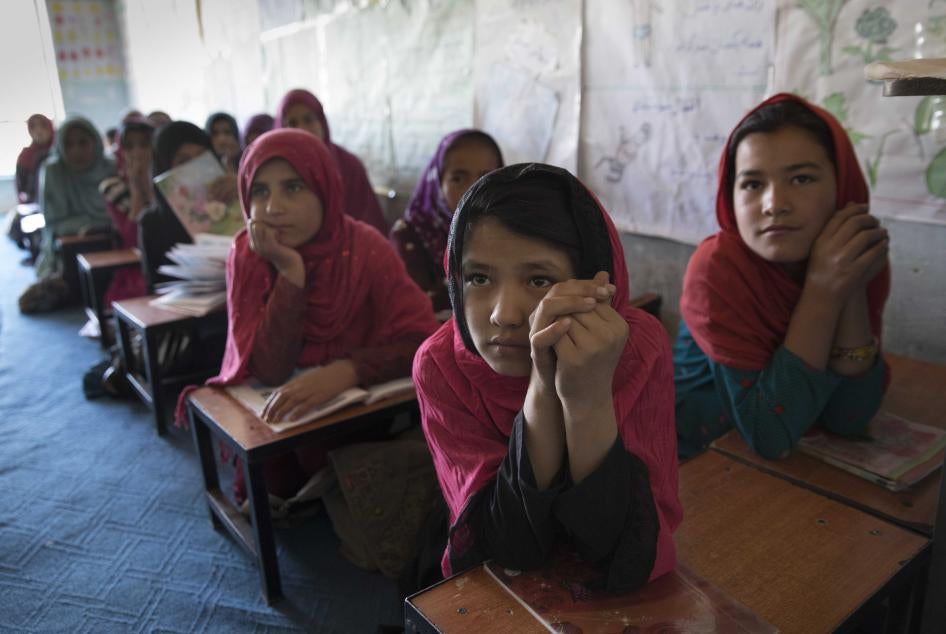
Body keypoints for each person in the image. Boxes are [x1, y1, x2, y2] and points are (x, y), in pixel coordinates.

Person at [413, 163, 681, 592]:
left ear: (595, 284)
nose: (504, 315)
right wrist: (544, 383)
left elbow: (620, 545)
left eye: (539, 280)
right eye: (478, 278)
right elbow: (508, 548)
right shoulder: (441, 364)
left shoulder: (636, 348)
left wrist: (587, 397)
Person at [189, 128, 438, 502]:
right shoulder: (249, 255)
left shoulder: (366, 247)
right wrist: (290, 272)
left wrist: (347, 370)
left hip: (360, 420)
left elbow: (423, 340)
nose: (273, 208)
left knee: (349, 484)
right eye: (260, 191)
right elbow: (270, 368)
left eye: (293, 187)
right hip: (282, 422)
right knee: (276, 487)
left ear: (324, 189)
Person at [674, 93, 890, 460]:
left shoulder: (855, 252)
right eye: (752, 184)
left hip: (793, 466)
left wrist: (848, 286)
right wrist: (823, 293)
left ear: (843, 189)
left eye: (801, 178)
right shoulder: (717, 270)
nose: (774, 204)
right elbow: (768, 436)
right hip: (698, 463)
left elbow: (849, 418)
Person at [390, 129, 503, 314]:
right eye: (458, 178)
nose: (473, 189)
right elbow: (415, 308)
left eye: (486, 178)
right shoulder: (409, 234)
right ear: (438, 182)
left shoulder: (508, 232)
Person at [275, 88, 388, 234]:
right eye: (292, 123)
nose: (301, 129)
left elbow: (370, 223)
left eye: (309, 120)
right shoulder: (274, 172)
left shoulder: (349, 167)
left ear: (322, 122)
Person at [137, 121, 222, 292]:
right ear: (164, 168)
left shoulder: (234, 204)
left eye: (202, 158)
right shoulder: (152, 222)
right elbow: (155, 286)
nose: (195, 169)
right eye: (183, 161)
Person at [34, 116, 116, 279]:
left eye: (83, 143)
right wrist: (98, 223)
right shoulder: (54, 172)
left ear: (95, 142)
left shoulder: (110, 167)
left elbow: (124, 217)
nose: (76, 151)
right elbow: (55, 225)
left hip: (114, 246)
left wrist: (90, 224)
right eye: (69, 144)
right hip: (68, 254)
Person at [98, 116, 154, 304]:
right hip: (137, 265)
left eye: (144, 144)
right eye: (129, 146)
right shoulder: (112, 188)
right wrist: (137, 190)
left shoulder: (169, 182)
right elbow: (132, 239)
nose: (138, 152)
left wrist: (150, 186)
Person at [15, 114, 55, 204]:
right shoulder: (25, 157)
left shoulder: (64, 150)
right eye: (33, 127)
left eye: (43, 126)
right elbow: (22, 190)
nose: (38, 131)